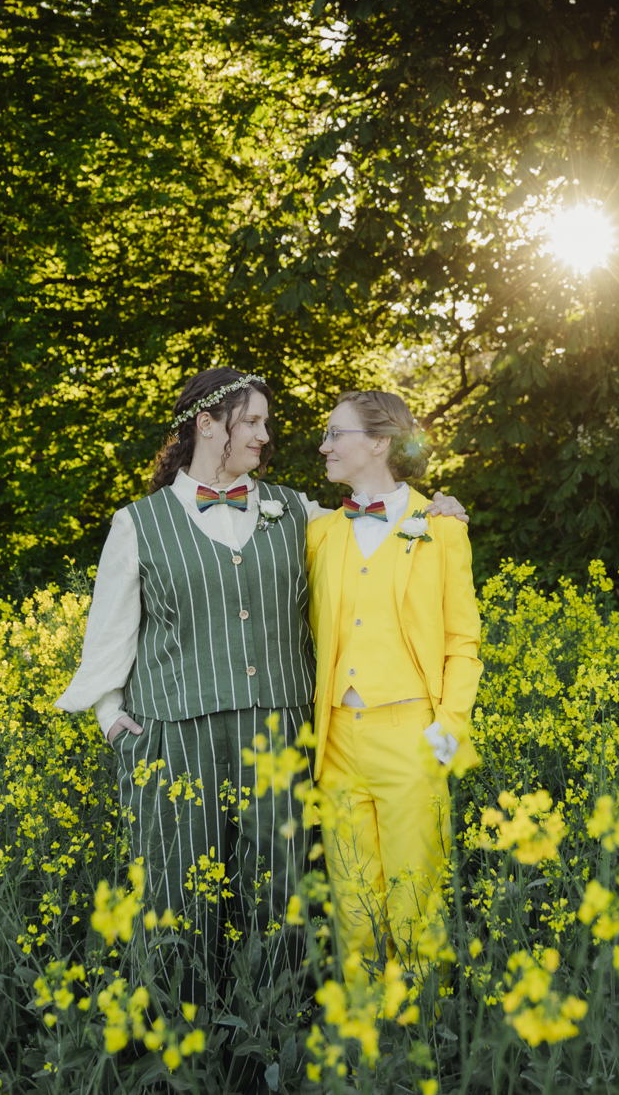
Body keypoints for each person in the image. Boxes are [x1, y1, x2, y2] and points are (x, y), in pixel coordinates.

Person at [54, 367, 465, 994]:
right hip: (176, 740)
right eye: (251, 422)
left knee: (280, 894)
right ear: (207, 425)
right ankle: (180, 1048)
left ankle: (279, 1038)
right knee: (176, 897)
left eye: (265, 423)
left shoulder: (297, 511)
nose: (264, 436)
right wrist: (112, 717)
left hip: (280, 734)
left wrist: (440, 509)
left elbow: (378, 522)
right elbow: (109, 634)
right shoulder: (138, 523)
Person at [307, 390, 480, 984]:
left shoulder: (440, 527)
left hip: (411, 736)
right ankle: (359, 1047)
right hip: (335, 741)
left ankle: (417, 1041)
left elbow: (463, 643)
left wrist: (447, 730)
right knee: (353, 907)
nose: (323, 446)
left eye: (336, 434)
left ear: (378, 442)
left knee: (414, 901)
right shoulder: (318, 532)